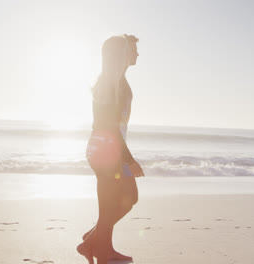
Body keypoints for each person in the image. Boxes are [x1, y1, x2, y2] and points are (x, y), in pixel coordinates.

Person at [77, 34, 144, 264]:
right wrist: (130, 160)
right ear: (121, 53)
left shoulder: (118, 81)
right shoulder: (109, 82)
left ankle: (96, 242)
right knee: (112, 205)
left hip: (111, 149)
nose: (136, 54)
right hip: (105, 151)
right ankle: (99, 250)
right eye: (132, 49)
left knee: (127, 198)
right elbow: (109, 128)